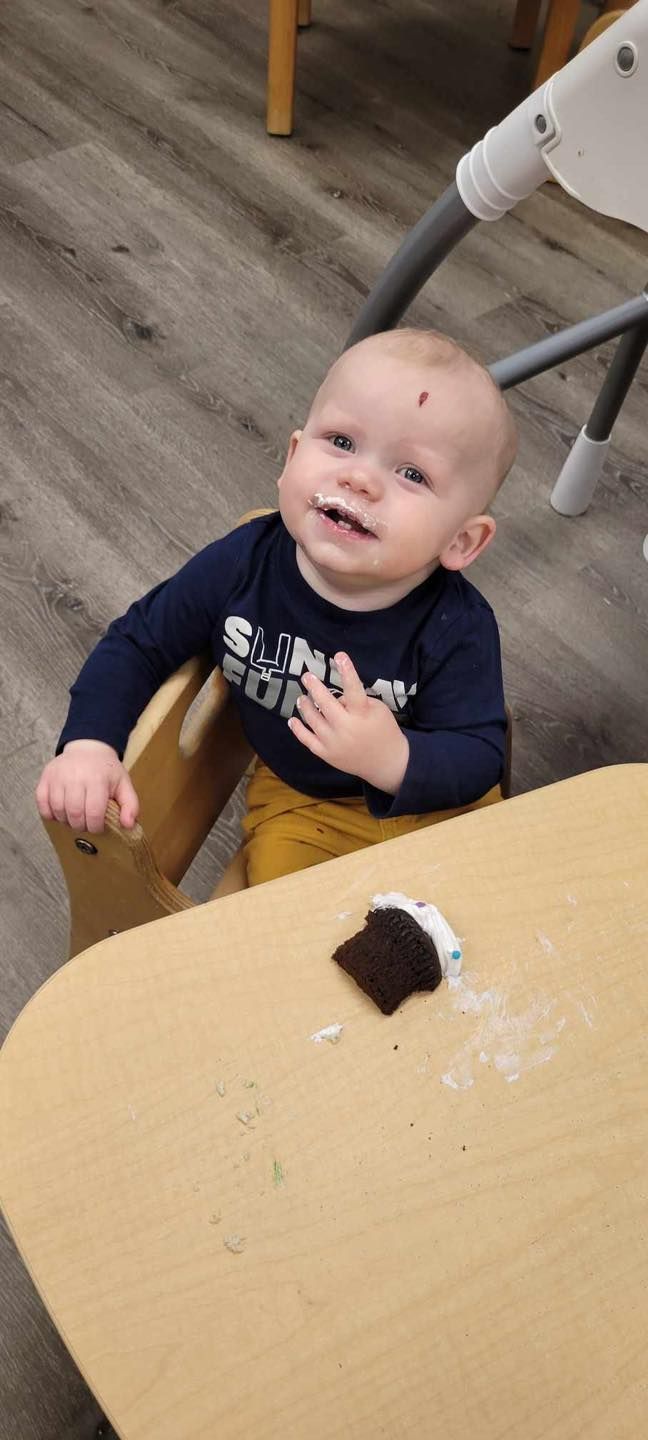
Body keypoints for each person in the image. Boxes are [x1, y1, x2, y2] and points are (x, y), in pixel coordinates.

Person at [35, 327, 518, 886]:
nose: (359, 478)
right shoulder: (243, 565)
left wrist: (392, 759)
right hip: (302, 803)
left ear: (462, 541)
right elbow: (137, 642)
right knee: (292, 943)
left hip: (437, 805)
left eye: (412, 474)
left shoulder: (457, 624)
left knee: (490, 916)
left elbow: (479, 753)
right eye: (341, 441)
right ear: (292, 458)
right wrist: (90, 743)